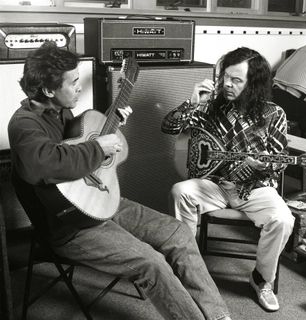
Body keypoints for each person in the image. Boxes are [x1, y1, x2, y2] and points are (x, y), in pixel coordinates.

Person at [8, 42, 232, 320]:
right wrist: (99, 146)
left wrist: (108, 124)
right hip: (68, 225)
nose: (80, 87)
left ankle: (220, 316)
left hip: (101, 200)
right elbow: (46, 164)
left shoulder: (60, 111)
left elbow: (76, 142)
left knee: (179, 233)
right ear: (49, 90)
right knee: (152, 263)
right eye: (74, 82)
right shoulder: (24, 125)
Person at [161, 47, 295, 312]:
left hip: (253, 189)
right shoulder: (209, 106)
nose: (227, 85)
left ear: (253, 84)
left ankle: (261, 279)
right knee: (180, 191)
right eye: (225, 78)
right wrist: (191, 103)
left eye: (236, 80)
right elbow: (169, 127)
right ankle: (189, 269)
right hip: (214, 185)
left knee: (283, 219)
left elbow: (278, 165)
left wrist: (261, 167)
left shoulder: (273, 114)